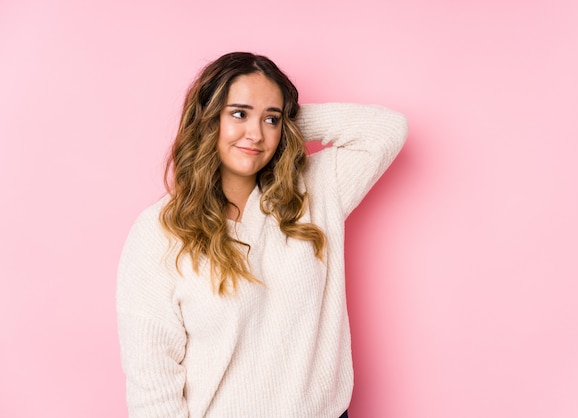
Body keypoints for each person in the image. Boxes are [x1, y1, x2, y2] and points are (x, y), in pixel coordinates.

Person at [116, 51, 408, 418]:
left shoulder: (313, 193)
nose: (255, 134)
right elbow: (152, 387)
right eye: (238, 113)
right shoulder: (159, 232)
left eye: (270, 118)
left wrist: (285, 120)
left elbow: (386, 129)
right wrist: (267, 114)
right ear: (207, 119)